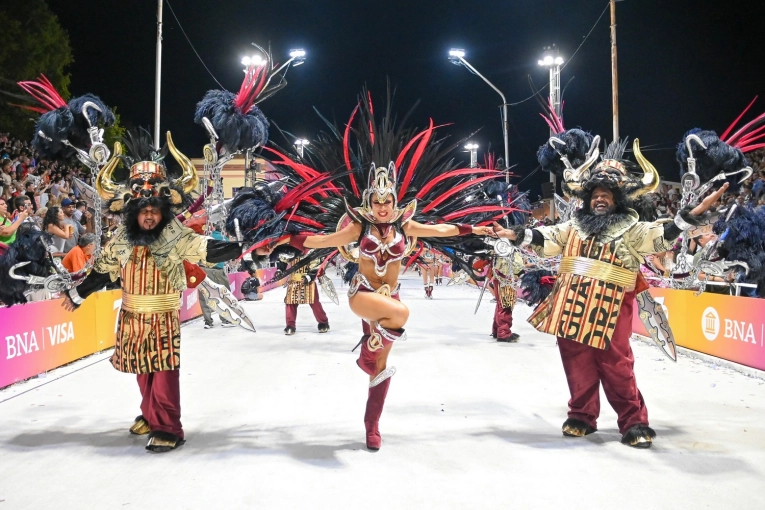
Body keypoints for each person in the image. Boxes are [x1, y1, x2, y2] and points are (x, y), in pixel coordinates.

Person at [494, 137, 725, 448]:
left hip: (613, 305)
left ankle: (633, 421)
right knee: (575, 361)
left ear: (619, 200)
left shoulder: (632, 229)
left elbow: (660, 235)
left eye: (606, 195)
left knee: (615, 363)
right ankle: (581, 415)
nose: (599, 199)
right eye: (595, 195)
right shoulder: (572, 227)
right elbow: (545, 236)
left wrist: (686, 218)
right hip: (571, 302)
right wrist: (514, 234)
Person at [62, 129, 263, 453]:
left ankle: (168, 427)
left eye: (155, 205)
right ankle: (149, 414)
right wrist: (77, 295)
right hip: (130, 315)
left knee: (163, 370)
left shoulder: (174, 233)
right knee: (142, 370)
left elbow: (205, 249)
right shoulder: (123, 239)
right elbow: (102, 271)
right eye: (142, 205)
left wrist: (242, 245)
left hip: (162, 316)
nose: (149, 212)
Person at [277, 164, 495, 450]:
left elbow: (441, 229)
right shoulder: (359, 226)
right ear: (369, 201)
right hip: (364, 294)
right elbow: (323, 241)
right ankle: (367, 353)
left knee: (380, 367)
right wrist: (283, 239)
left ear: (394, 201)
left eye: (387, 200)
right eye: (377, 201)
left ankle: (372, 427)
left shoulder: (405, 225)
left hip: (390, 295)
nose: (382, 207)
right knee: (401, 314)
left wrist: (477, 227)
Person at [278, 247, 329, 335]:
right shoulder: (291, 249)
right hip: (294, 281)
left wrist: (308, 277)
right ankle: (290, 325)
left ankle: (323, 322)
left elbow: (316, 267)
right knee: (290, 303)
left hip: (308, 281)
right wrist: (279, 271)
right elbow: (283, 260)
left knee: (315, 303)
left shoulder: (312, 250)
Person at [199, 229, 234, 329]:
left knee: (204, 296)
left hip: (203, 269)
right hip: (217, 270)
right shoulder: (224, 238)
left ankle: (208, 321)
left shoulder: (204, 237)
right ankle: (225, 320)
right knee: (222, 295)